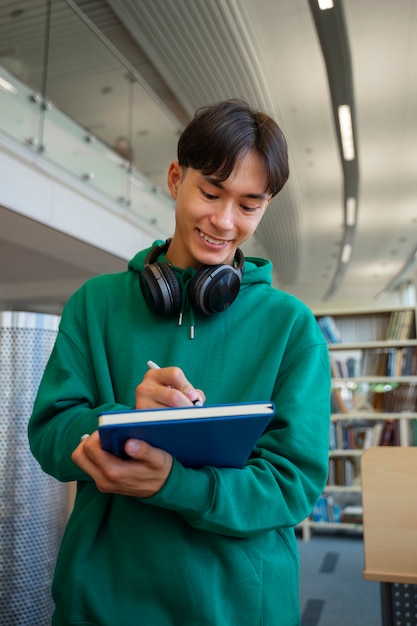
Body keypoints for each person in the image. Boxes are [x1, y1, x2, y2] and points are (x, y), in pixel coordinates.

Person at [28, 99, 331, 626]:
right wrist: (122, 418)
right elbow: (51, 439)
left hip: (237, 606)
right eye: (210, 193)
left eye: (248, 205)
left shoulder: (292, 327)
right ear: (175, 179)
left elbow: (292, 486)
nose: (224, 221)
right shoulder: (94, 304)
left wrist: (173, 481)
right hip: (104, 600)